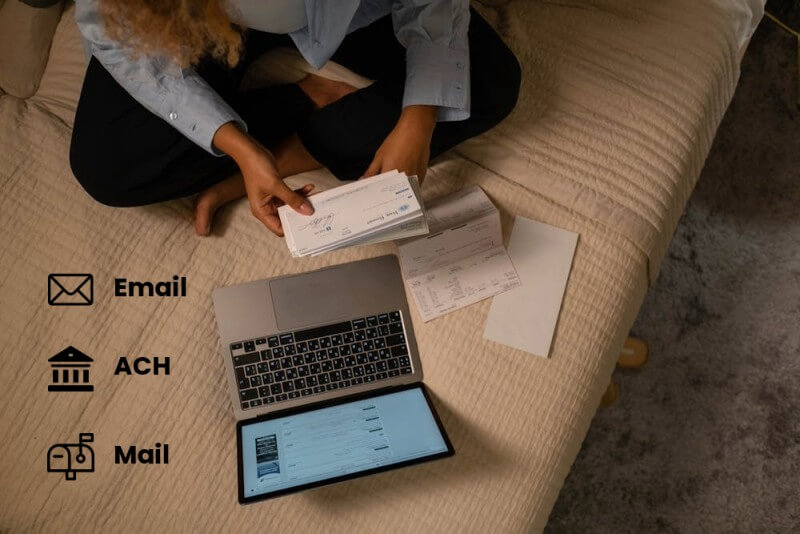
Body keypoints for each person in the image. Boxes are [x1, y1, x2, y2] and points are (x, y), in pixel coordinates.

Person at [69, 0, 521, 236]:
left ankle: (286, 155)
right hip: (197, 21)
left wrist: (419, 120)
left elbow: (433, 7)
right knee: (106, 166)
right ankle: (301, 104)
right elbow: (116, 38)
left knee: (485, 81)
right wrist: (239, 147)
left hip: (347, 11)